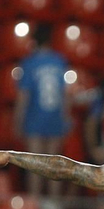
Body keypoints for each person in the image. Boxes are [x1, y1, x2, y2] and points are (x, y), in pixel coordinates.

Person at [14, 24, 70, 196]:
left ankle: (35, 205)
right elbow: (65, 94)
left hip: (34, 117)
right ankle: (54, 206)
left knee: (35, 165)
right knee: (53, 165)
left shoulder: (29, 63)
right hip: (55, 117)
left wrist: (17, 120)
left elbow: (23, 96)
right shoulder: (59, 61)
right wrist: (65, 118)